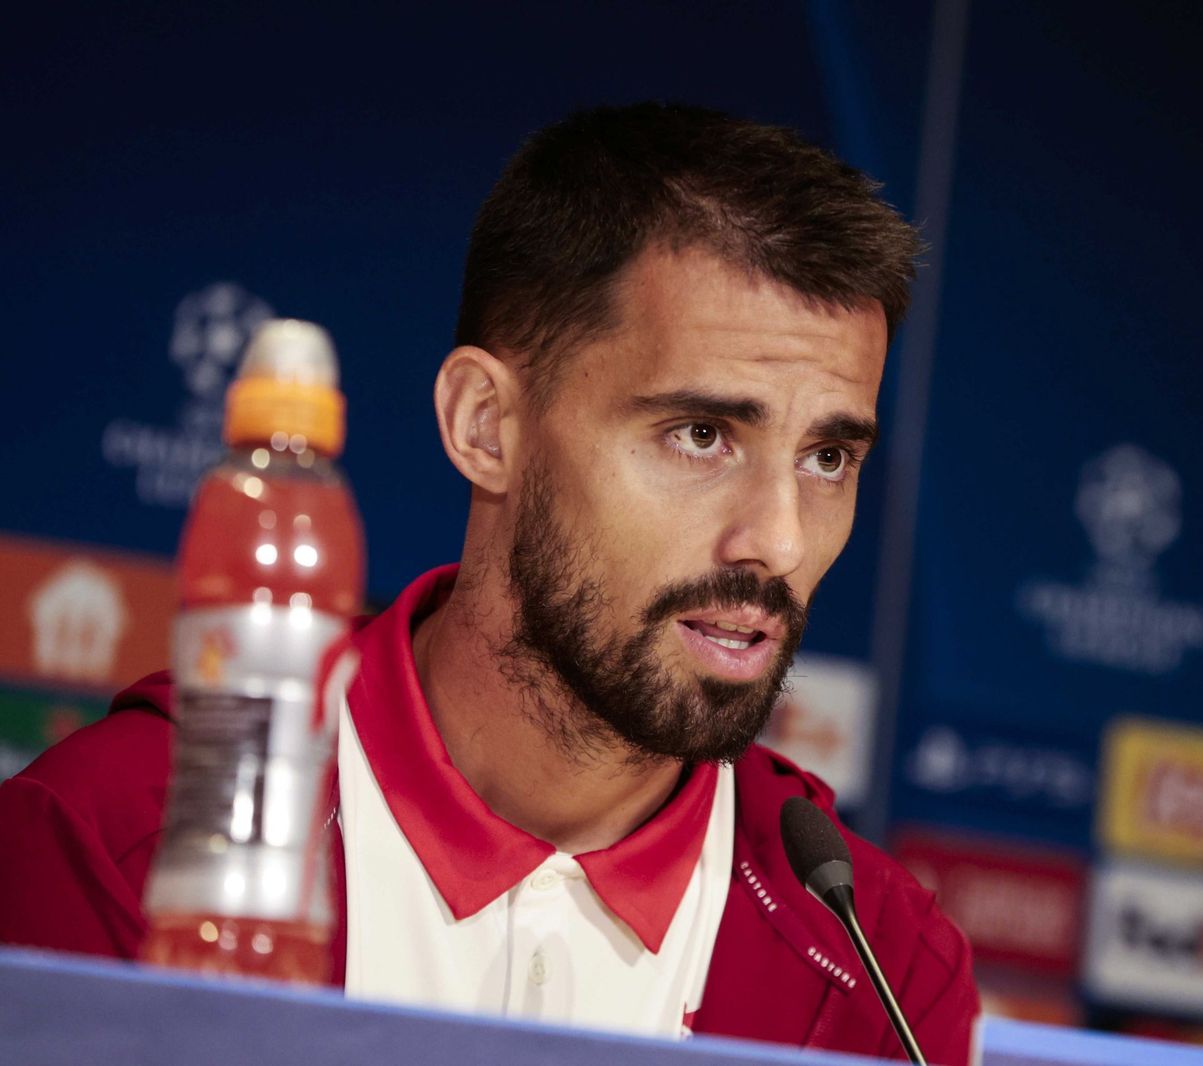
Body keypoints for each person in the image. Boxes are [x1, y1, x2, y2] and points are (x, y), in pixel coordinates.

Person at [0, 103, 979, 1063]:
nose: (776, 540)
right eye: (701, 435)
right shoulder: (112, 844)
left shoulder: (887, 974)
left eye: (827, 457)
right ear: (486, 424)